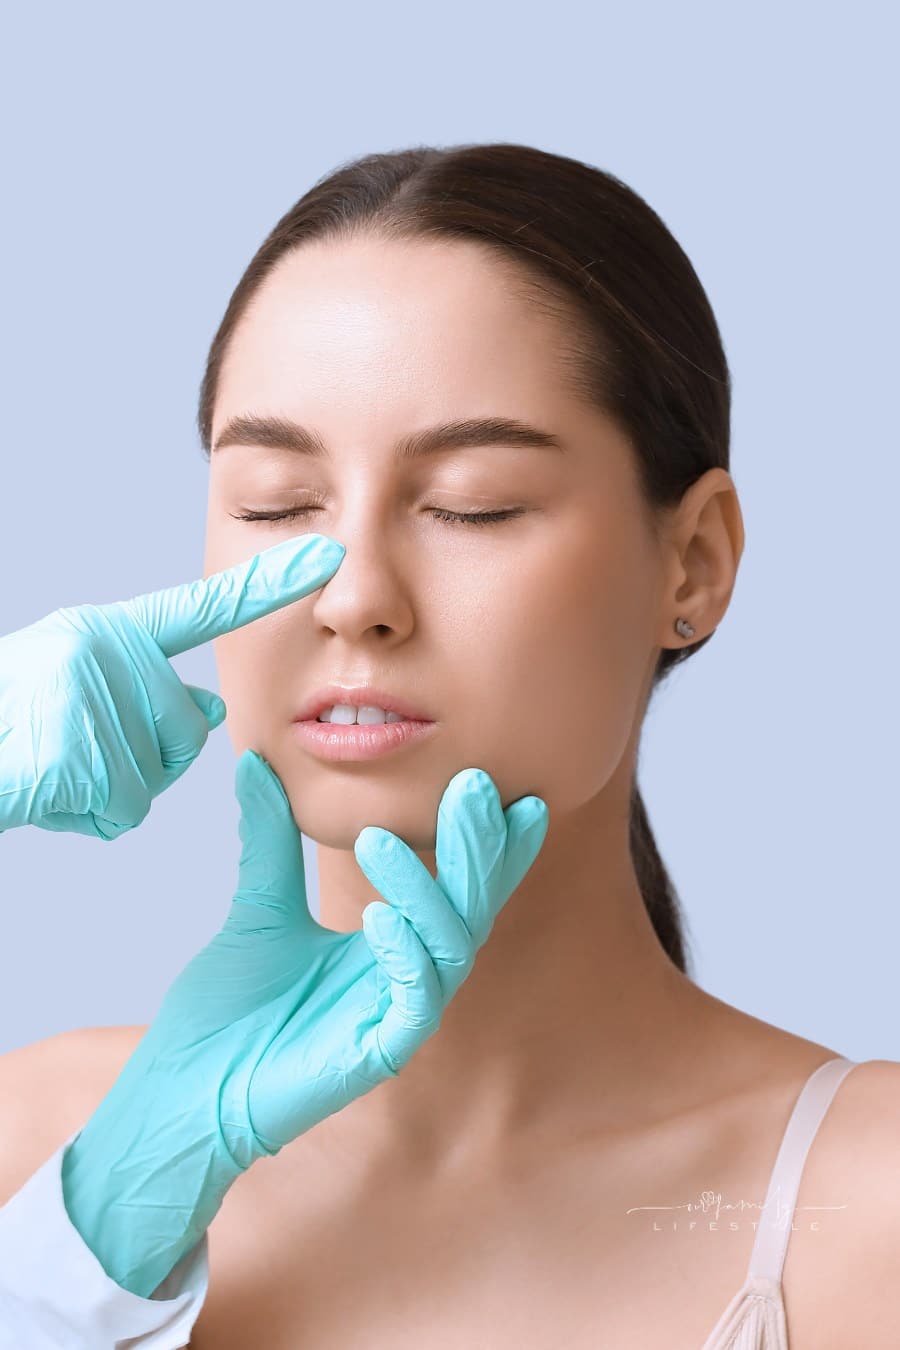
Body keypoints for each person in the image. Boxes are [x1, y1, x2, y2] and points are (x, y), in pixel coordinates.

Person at [1, 141, 898, 1349]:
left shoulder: (867, 1207)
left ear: (693, 563)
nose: (353, 594)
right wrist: (74, 1261)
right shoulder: (43, 1134)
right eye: (276, 502)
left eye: (473, 504)